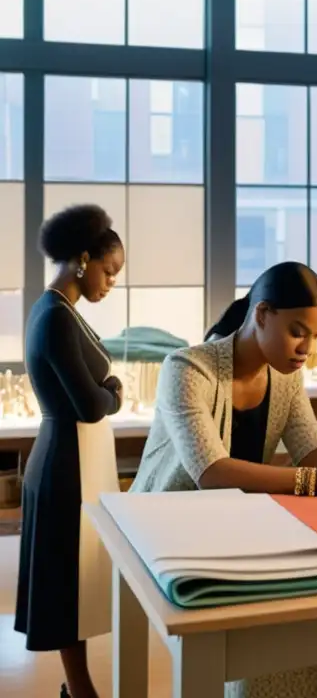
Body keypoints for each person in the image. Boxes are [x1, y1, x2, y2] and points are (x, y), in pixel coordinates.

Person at [132, 261, 317, 698]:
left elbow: (311, 447)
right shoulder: (189, 369)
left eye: (316, 337)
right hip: (171, 524)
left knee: (312, 594)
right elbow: (212, 472)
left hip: (238, 517)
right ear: (262, 314)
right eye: (298, 331)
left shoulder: (284, 376)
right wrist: (316, 481)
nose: (307, 348)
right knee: (278, 607)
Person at [16, 204, 125, 698]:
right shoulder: (56, 316)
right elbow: (90, 404)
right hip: (65, 465)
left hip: (73, 459)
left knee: (74, 586)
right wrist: (115, 392)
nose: (111, 283)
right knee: (67, 587)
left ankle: (78, 691)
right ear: (84, 259)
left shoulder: (61, 311)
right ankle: (81, 693)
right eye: (109, 271)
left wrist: (106, 390)